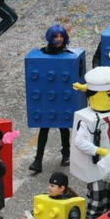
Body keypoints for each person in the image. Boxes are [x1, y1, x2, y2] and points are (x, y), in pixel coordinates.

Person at [29, 25, 72, 174]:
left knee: (63, 127)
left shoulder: (68, 55)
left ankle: (66, 154)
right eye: (55, 36)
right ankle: (38, 160)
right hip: (47, 96)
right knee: (44, 128)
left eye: (61, 36)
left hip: (62, 95)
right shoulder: (42, 53)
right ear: (50, 38)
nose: (59, 39)